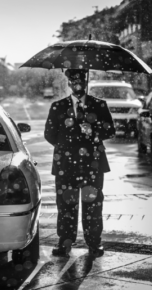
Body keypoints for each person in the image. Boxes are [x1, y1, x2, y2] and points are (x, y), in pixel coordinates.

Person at [44, 69, 116, 258]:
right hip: (65, 165)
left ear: (86, 82)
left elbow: (110, 130)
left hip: (93, 164)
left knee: (93, 203)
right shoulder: (57, 107)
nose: (77, 84)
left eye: (81, 80)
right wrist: (69, 147)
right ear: (68, 83)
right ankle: (65, 242)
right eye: (73, 80)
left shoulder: (99, 105)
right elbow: (49, 134)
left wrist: (94, 130)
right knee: (66, 204)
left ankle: (94, 243)